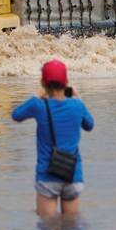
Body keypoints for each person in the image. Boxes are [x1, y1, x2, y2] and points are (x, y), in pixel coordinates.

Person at [12, 60, 94, 217]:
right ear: (67, 82)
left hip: (47, 175)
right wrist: (78, 96)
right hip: (73, 174)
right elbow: (89, 125)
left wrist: (37, 95)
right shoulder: (77, 105)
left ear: (43, 83)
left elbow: (16, 115)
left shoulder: (39, 106)